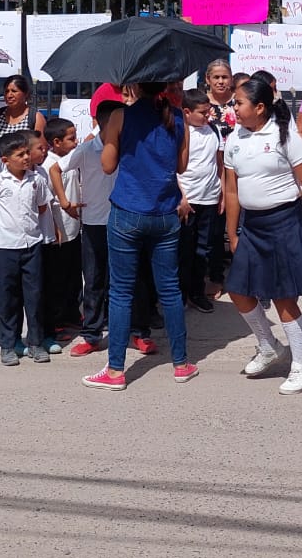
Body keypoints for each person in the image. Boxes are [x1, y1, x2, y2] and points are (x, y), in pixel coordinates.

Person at [84, 83, 197, 390]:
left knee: (121, 292)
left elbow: (107, 166)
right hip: (165, 213)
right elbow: (182, 165)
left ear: (133, 85)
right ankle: (182, 363)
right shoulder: (176, 116)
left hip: (127, 212)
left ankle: (116, 370)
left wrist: (113, 138)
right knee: (170, 291)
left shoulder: (121, 116)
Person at [222, 78, 302, 396]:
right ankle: (269, 346)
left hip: (285, 222)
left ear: (259, 107)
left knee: (283, 296)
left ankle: (301, 367)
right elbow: (231, 189)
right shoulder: (233, 139)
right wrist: (232, 232)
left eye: (239, 102)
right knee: (238, 291)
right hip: (252, 227)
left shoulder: (286, 136)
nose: (234, 108)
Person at [69, 84, 153, 360]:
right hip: (94, 223)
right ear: (99, 122)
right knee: (93, 280)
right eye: (110, 121)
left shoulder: (133, 145)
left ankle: (139, 332)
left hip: (127, 220)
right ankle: (92, 333)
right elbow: (56, 167)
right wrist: (66, 201)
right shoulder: (86, 149)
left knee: (134, 279)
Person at [0, 130, 58, 367]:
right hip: (5, 248)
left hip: (32, 245)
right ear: (5, 160)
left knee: (34, 295)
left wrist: (41, 235)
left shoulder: (37, 180)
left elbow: (42, 208)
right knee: (8, 297)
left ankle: (35, 342)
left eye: (26, 153)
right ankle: (8, 345)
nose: (26, 158)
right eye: (20, 155)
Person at [176, 88, 223, 315]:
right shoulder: (181, 133)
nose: (207, 116)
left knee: (203, 249)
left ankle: (197, 292)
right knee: (185, 251)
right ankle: (181, 294)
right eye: (202, 112)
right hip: (188, 200)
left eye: (208, 111)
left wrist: (222, 192)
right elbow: (173, 168)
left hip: (210, 198)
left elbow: (219, 163)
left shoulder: (213, 131)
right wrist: (182, 198)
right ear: (187, 112)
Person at [40, 117, 83, 352]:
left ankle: (71, 313)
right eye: (71, 138)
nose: (75, 141)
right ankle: (56, 321)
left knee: (72, 273)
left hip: (74, 227)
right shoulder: (50, 165)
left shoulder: (70, 160)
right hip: (59, 227)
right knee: (57, 277)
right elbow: (48, 200)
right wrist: (55, 226)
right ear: (56, 142)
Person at [201, 60, 238, 297]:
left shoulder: (239, 102)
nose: (221, 81)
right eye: (216, 77)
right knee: (214, 230)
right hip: (212, 170)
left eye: (225, 77)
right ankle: (215, 277)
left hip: (240, 168)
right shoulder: (201, 105)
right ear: (208, 79)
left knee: (241, 226)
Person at [0, 74, 47, 150]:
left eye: (14, 91)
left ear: (25, 94)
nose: (9, 95)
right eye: (6, 91)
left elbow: (42, 148)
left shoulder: (35, 118)